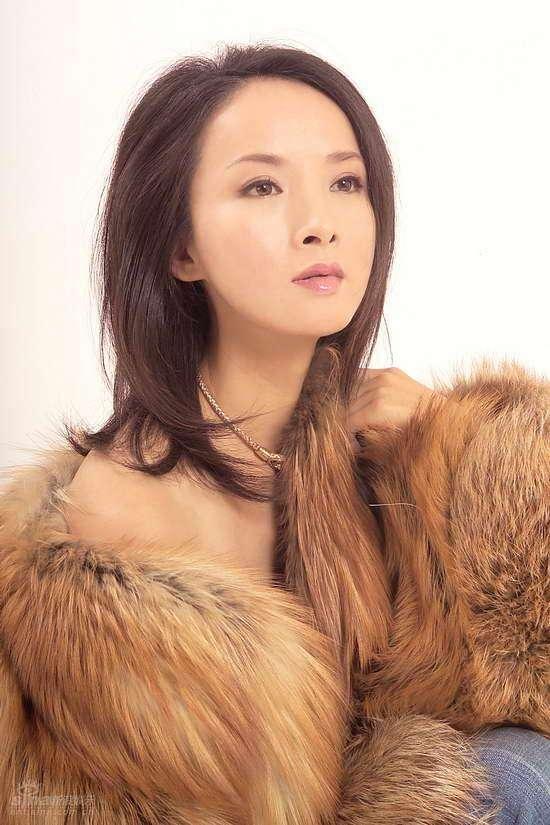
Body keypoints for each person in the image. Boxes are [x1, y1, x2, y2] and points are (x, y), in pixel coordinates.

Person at [0, 42, 548, 824]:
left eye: (345, 182)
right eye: (261, 186)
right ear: (181, 248)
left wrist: (461, 452)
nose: (319, 224)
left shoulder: (385, 444)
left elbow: (523, 680)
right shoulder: (115, 529)